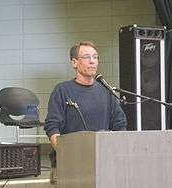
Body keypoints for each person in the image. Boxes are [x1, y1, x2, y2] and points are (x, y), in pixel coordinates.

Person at [44, 41, 127, 185]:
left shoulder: (107, 92)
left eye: (95, 57)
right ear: (74, 63)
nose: (92, 61)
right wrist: (68, 155)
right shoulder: (62, 90)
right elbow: (52, 127)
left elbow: (120, 125)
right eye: (87, 57)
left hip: (103, 164)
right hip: (69, 166)